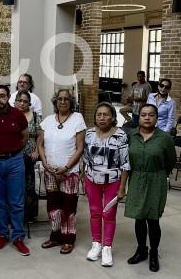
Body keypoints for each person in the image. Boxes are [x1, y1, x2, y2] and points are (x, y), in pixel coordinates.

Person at [125, 103, 177, 273]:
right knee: (138, 217)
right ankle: (142, 250)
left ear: (156, 118)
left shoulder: (165, 138)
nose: (147, 117)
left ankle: (154, 253)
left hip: (156, 179)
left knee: (153, 219)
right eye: (143, 115)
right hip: (136, 178)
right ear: (138, 117)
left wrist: (159, 174)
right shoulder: (131, 135)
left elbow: (171, 162)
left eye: (151, 115)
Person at [37, 89, 86, 255]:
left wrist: (66, 167)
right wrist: (44, 162)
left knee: (68, 207)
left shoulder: (77, 119)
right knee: (52, 207)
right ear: (55, 101)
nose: (63, 101)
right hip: (50, 171)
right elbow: (40, 144)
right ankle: (55, 235)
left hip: (69, 172)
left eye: (66, 99)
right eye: (60, 99)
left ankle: (68, 239)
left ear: (71, 102)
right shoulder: (48, 120)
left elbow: (80, 148)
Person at [0, 84, 30, 256]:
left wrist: (14, 151)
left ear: (8, 96)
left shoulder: (17, 115)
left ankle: (18, 237)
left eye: (2, 96)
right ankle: (2, 235)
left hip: (15, 161)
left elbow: (24, 136)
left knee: (16, 202)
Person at [82, 103, 129, 267]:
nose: (102, 118)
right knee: (94, 212)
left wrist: (122, 187)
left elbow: (125, 164)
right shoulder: (88, 134)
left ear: (113, 118)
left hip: (113, 181)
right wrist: (83, 178)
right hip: (91, 179)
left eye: (106, 115)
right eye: (99, 115)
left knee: (108, 214)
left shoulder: (121, 135)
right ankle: (96, 244)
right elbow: (85, 159)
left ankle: (107, 247)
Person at [13, 90, 41, 223]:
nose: (22, 103)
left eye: (25, 101)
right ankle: (15, 215)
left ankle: (29, 215)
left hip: (31, 157)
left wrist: (36, 151)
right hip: (14, 156)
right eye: (20, 101)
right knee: (15, 186)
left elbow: (40, 136)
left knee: (29, 186)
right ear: (15, 102)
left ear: (30, 103)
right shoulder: (11, 115)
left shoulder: (35, 116)